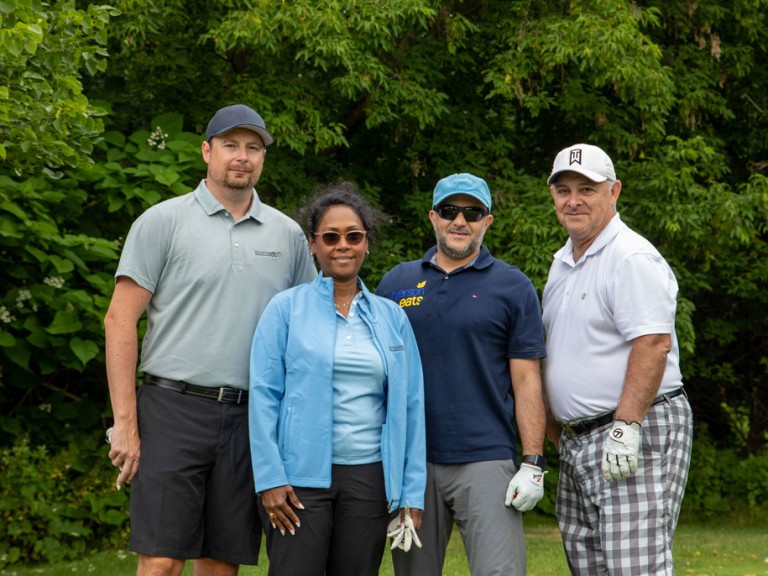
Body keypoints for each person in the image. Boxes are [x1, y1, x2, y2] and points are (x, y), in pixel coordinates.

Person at [103, 104, 317, 576]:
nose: (242, 157)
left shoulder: (288, 236)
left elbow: (307, 335)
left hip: (251, 417)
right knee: (160, 561)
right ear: (206, 151)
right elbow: (119, 321)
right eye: (230, 145)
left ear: (262, 158)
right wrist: (125, 424)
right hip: (171, 409)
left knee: (220, 564)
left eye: (253, 148)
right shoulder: (162, 221)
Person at [248, 182, 427, 576]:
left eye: (353, 236)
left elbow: (410, 407)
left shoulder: (391, 317)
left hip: (369, 477)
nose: (342, 245)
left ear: (367, 244)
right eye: (330, 237)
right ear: (314, 245)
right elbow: (263, 396)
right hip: (297, 479)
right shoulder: (285, 309)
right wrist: (270, 478)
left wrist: (411, 491)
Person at [376, 173, 548, 576]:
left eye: (472, 213)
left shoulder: (513, 286)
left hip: (485, 458)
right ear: (433, 217)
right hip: (412, 463)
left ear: (487, 221)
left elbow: (527, 380)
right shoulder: (396, 283)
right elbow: (377, 376)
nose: (460, 221)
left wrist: (533, 461)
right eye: (450, 211)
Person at [542, 143, 694, 575]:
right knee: (590, 566)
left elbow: (653, 344)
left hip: (633, 429)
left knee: (634, 567)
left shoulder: (630, 256)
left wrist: (626, 427)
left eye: (587, 188)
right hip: (581, 439)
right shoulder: (563, 263)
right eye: (563, 189)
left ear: (614, 192)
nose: (573, 200)